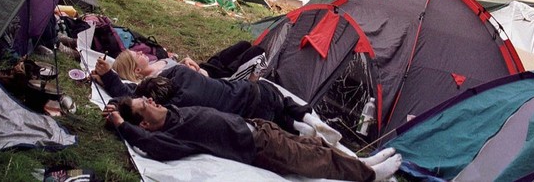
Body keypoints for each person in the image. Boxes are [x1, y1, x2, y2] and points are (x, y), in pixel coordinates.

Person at [104, 99, 402, 182]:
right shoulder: (172, 135)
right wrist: (120, 123)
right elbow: (151, 145)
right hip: (259, 147)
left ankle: (360, 161)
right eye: (146, 106)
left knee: (317, 146)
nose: (151, 100)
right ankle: (369, 174)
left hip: (260, 128)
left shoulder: (172, 113)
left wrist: (117, 99)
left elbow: (127, 93)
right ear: (144, 123)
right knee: (318, 161)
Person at [92, 56, 338, 142]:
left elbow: (131, 101)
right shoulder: (179, 72)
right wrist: (111, 76)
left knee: (279, 120)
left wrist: (113, 91)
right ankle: (308, 119)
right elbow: (134, 95)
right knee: (281, 100)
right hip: (252, 91)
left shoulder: (175, 109)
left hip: (255, 116)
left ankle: (299, 128)